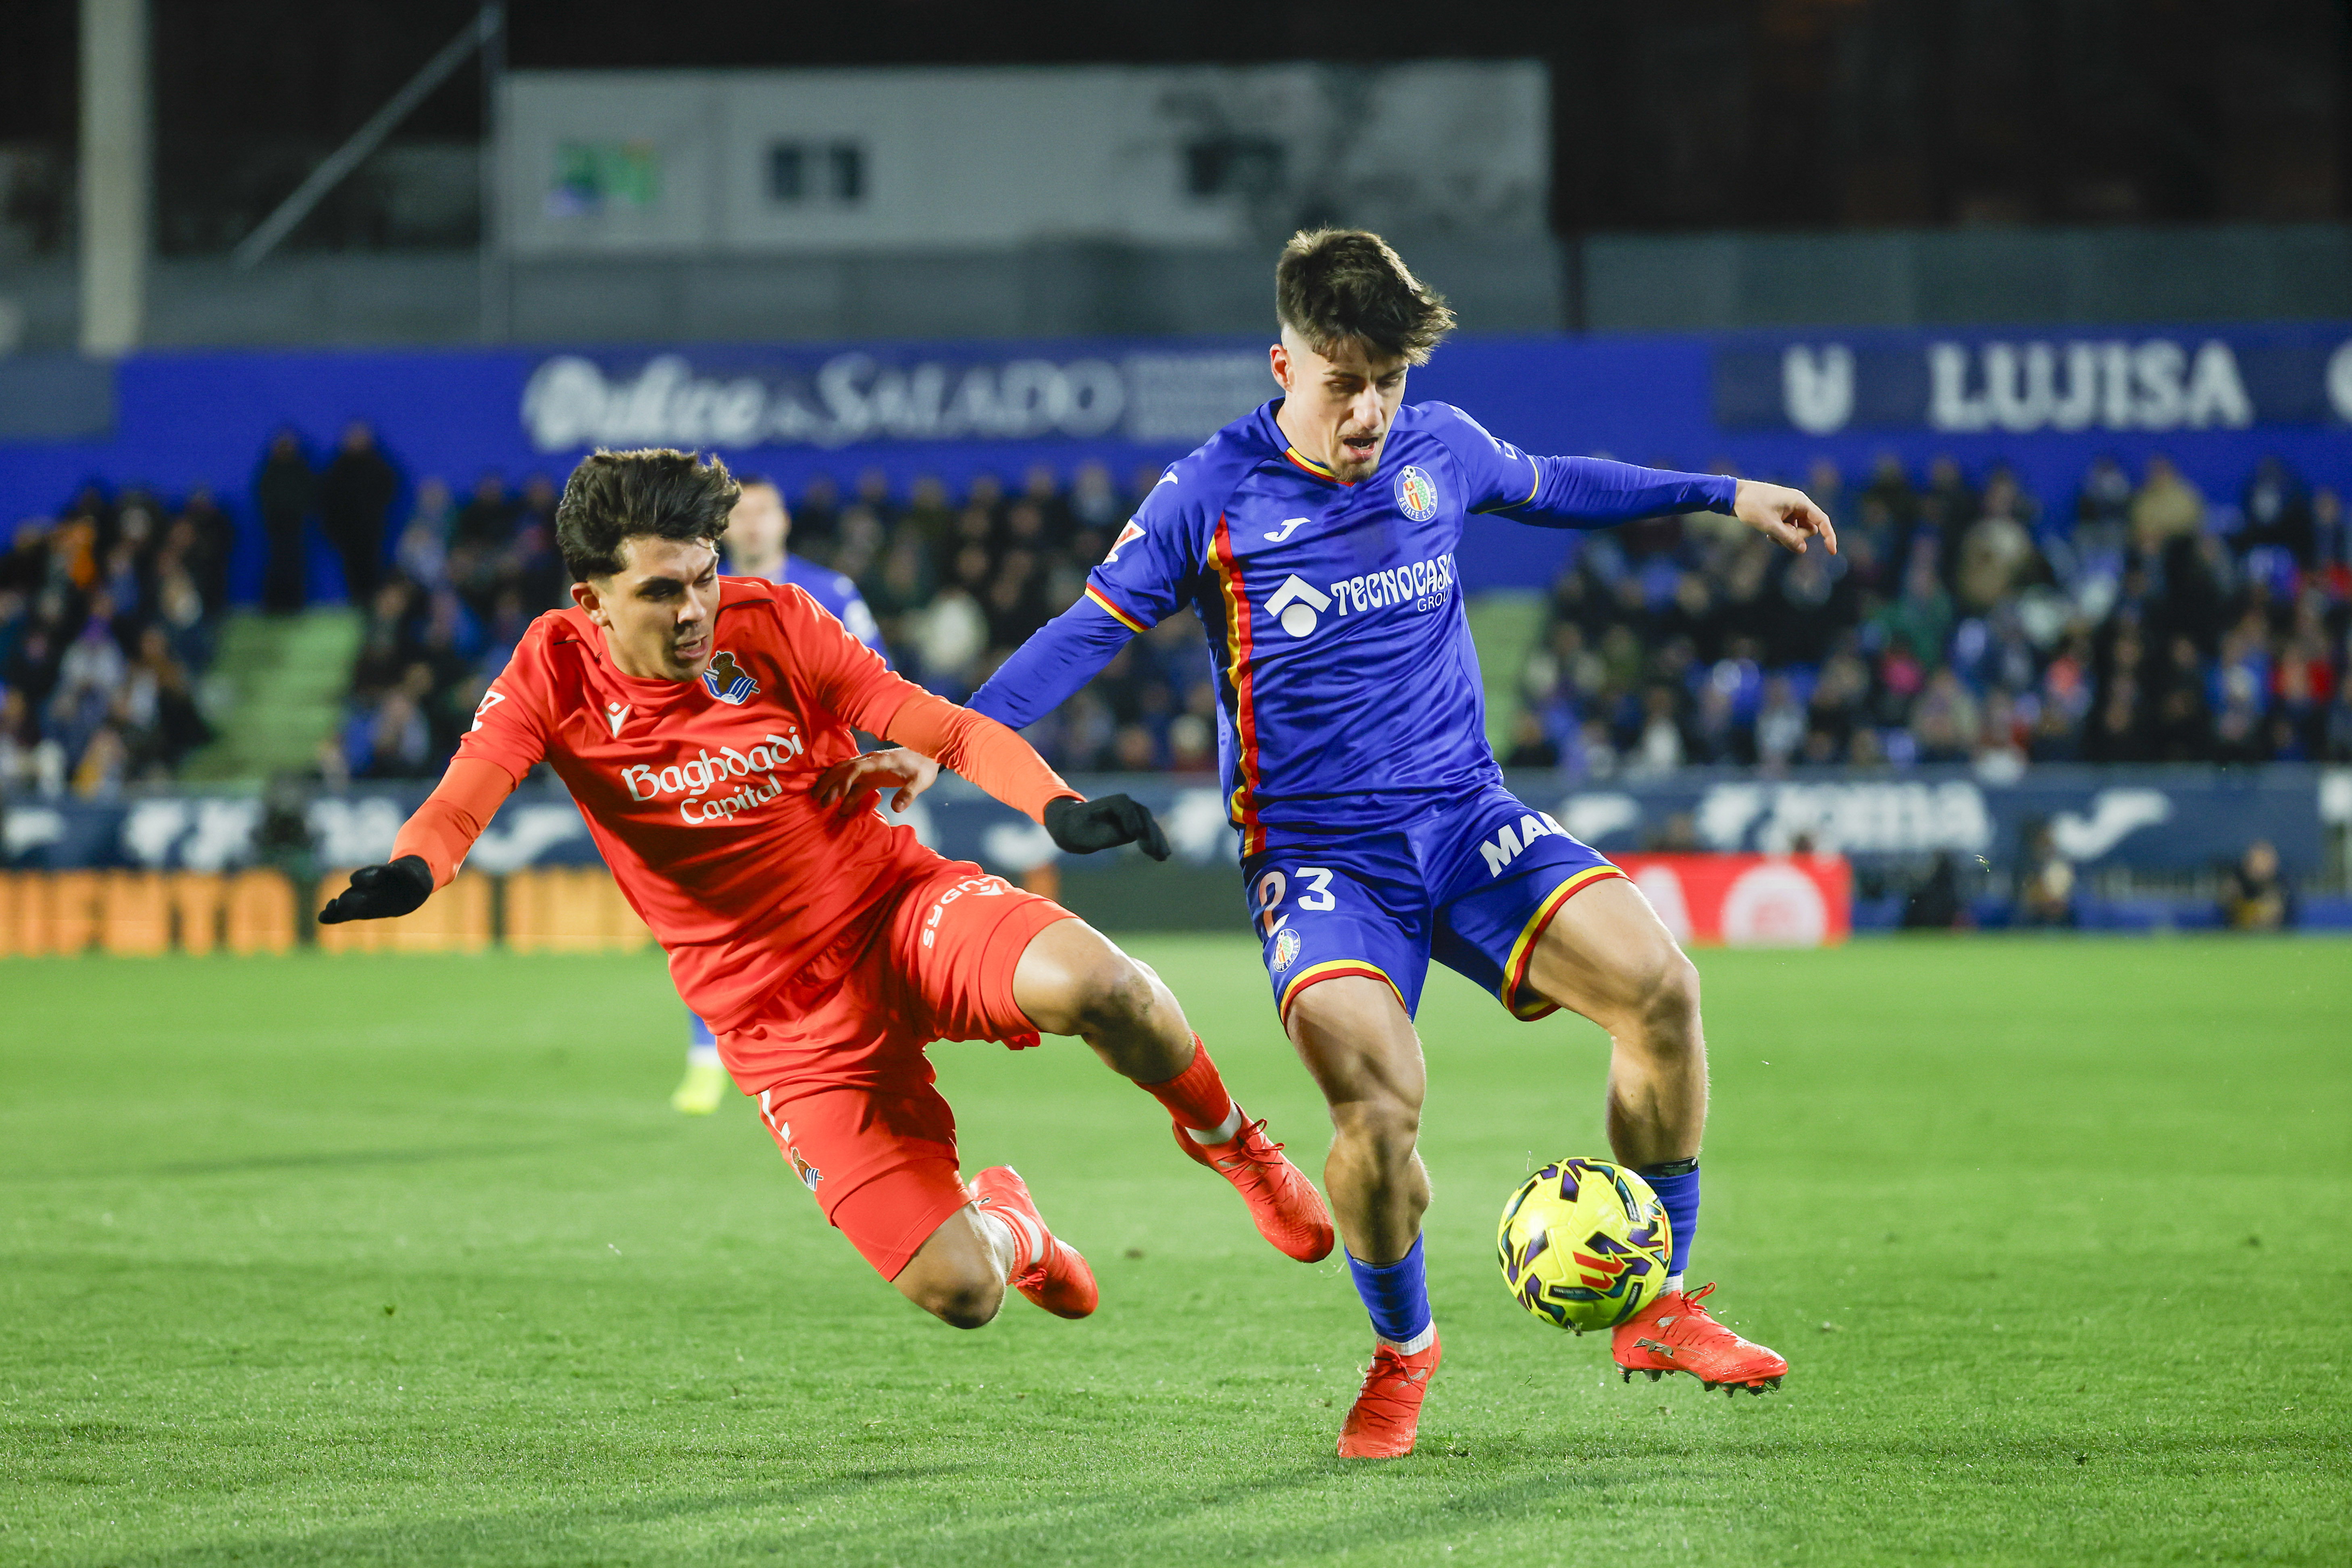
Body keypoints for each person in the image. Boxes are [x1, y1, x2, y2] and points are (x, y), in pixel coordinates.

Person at [940, 230, 1813, 1455]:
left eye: (1387, 382)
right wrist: (944, 737)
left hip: (1465, 815)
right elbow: (1086, 631)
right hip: (1319, 860)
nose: (1367, 412)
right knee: (1377, 1110)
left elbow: (1557, 483)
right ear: (1283, 364)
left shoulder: (1437, 447)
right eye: (1341, 382)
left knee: (1662, 989)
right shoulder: (1212, 491)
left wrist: (1723, 494)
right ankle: (1405, 1350)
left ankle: (1658, 1305)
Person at [318, 448, 1332, 1328]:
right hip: (775, 1017)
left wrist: (1054, 805)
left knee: (1101, 983)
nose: (694, 610)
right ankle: (1013, 1229)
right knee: (962, 1291)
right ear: (591, 601)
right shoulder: (551, 670)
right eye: (661, 591)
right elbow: (465, 795)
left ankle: (1233, 1144)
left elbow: (935, 724)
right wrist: (415, 869)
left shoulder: (775, 621)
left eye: (704, 578)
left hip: (892, 910)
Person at [671, 474, 889, 1114]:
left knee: (831, 926)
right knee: (711, 921)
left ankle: (835, 1053)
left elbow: (873, 675)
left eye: (764, 511)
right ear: (722, 528)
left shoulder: (830, 592)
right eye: (741, 514)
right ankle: (705, 1057)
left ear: (784, 520)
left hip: (813, 785)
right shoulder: (694, 597)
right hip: (722, 784)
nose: (753, 523)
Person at [320, 420, 401, 606]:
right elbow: (326, 500)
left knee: (373, 572)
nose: (356, 442)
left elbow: (391, 487)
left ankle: (373, 609)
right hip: (346, 535)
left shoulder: (379, 466)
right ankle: (357, 606)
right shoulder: (336, 469)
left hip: (372, 533)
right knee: (352, 574)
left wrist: (375, 515)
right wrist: (333, 529)